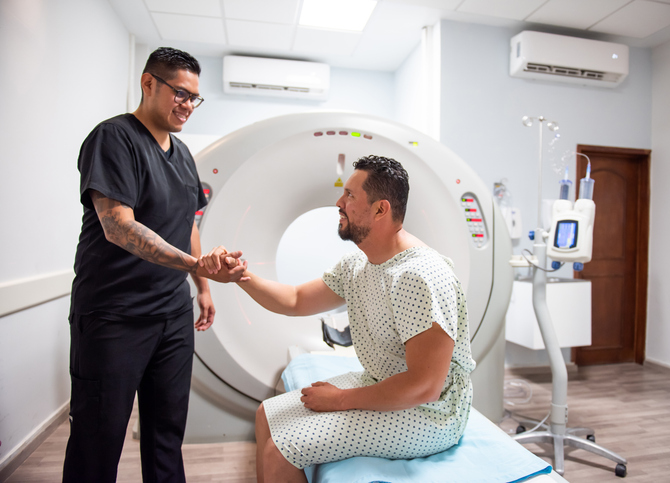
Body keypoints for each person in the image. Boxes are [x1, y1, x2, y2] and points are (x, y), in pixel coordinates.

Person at [201, 155, 477, 483]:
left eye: (350, 196)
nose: (339, 202)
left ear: (380, 209)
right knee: (265, 415)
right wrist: (240, 278)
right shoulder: (358, 265)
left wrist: (342, 399)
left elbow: (426, 386)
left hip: (432, 412)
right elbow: (295, 299)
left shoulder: (419, 276)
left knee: (283, 448)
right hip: (383, 382)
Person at [63, 47, 245, 482]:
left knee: (166, 432)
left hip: (171, 314)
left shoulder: (182, 154)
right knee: (98, 436)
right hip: (114, 315)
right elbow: (118, 226)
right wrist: (196, 265)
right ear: (149, 84)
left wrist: (202, 287)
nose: (187, 105)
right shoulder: (113, 139)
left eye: (194, 98)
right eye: (180, 93)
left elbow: (188, 223)